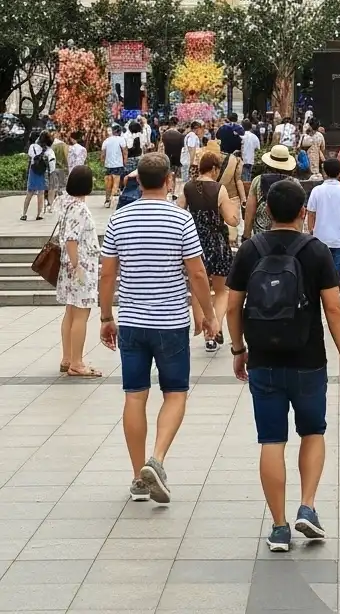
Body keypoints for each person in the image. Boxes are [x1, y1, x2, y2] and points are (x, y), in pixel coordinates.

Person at [227, 176, 340, 553]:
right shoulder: (315, 251)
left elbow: (233, 306)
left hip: (264, 359)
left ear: (266, 211)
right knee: (313, 432)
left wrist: (238, 349)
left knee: (271, 440)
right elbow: (333, 308)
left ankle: (280, 527)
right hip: (309, 359)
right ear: (304, 212)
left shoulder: (250, 250)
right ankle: (308, 506)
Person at [99, 152, 218, 504]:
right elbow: (196, 272)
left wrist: (106, 316)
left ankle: (139, 477)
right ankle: (158, 459)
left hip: (133, 322)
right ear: (169, 180)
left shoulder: (119, 219)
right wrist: (209, 314)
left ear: (137, 180)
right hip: (170, 322)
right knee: (175, 393)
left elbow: (108, 273)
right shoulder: (180, 220)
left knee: (135, 395)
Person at [178, 149, 239, 351]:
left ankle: (208, 336)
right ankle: (217, 326)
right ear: (213, 169)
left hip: (194, 244)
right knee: (222, 290)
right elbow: (232, 219)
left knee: (199, 288)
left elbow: (179, 212)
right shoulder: (220, 189)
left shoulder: (188, 188)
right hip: (217, 243)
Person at [57, 165, 102, 378]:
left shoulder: (67, 204)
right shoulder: (80, 208)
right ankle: (77, 362)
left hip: (69, 266)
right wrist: (78, 267)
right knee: (81, 314)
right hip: (81, 267)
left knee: (71, 312)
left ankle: (67, 358)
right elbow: (72, 239)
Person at [306, 156, 340, 279]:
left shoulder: (316, 191)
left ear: (324, 172)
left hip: (320, 237)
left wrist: (311, 230)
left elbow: (311, 213)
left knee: (319, 271)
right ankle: (334, 295)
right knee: (336, 273)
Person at [243, 143, 297, 238]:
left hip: (261, 235)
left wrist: (246, 234)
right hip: (288, 235)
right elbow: (299, 213)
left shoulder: (258, 180)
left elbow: (250, 210)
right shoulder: (294, 183)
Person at [20, 132, 53, 222]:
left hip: (33, 171)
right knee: (41, 194)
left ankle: (24, 214)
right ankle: (39, 214)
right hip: (42, 173)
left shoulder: (32, 147)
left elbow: (30, 158)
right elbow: (49, 163)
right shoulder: (48, 150)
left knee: (29, 194)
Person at [218, 147, 247, 247]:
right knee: (232, 223)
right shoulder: (236, 160)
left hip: (215, 195)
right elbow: (238, 180)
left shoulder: (209, 156)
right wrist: (243, 199)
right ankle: (232, 243)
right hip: (232, 196)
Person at [101, 124, 126, 208]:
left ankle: (107, 200)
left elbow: (103, 154)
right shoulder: (121, 140)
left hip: (108, 165)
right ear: (119, 132)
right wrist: (124, 161)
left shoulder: (106, 141)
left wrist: (103, 163)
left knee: (108, 183)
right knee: (115, 183)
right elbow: (125, 152)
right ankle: (111, 199)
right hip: (118, 164)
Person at [161, 117, 184, 196]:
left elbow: (161, 146)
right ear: (177, 124)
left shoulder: (165, 134)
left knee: (166, 176)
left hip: (166, 158)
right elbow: (182, 147)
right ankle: (173, 193)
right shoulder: (180, 135)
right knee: (174, 177)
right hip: (177, 158)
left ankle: (166, 192)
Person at [181, 120, 202, 185]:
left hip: (187, 159)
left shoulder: (190, 135)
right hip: (190, 160)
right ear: (197, 128)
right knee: (188, 182)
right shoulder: (192, 136)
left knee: (187, 181)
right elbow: (191, 149)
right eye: (200, 129)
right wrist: (192, 162)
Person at [241, 118, 260, 184]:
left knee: (243, 178)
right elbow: (257, 149)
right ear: (251, 127)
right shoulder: (254, 137)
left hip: (241, 160)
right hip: (251, 160)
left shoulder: (240, 136)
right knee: (248, 177)